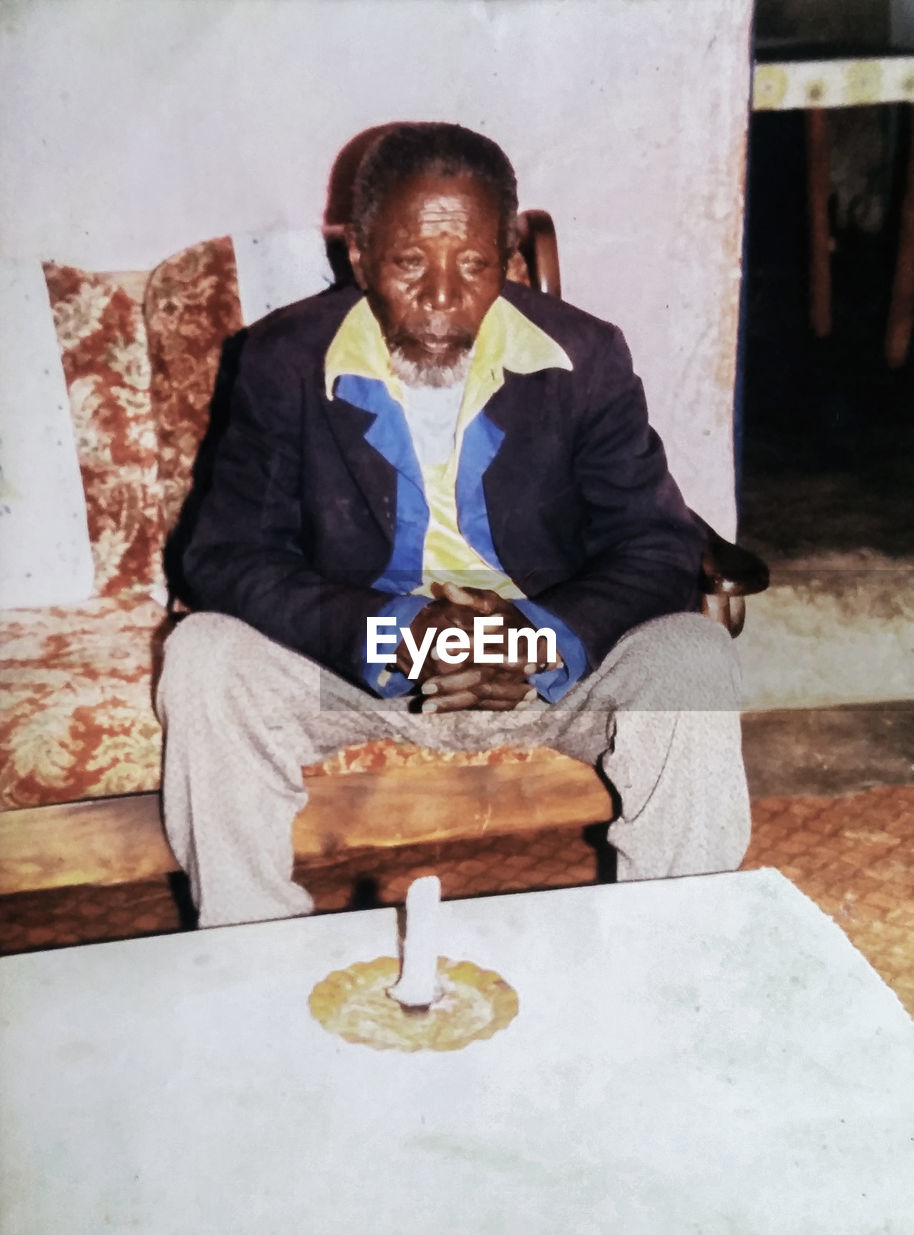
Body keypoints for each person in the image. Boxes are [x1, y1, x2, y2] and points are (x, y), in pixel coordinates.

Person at [156, 121, 750, 928]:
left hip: (545, 668)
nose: (442, 298)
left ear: (507, 257)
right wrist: (391, 634)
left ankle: (675, 951)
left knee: (694, 656)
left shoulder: (587, 357)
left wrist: (538, 639)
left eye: (472, 265)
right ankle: (249, 950)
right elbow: (225, 556)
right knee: (204, 656)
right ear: (359, 256)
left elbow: (656, 542)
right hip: (366, 669)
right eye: (408, 264)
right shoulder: (284, 359)